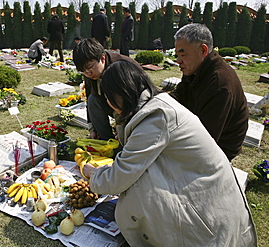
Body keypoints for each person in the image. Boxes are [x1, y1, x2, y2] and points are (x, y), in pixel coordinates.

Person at [83, 60, 257, 246]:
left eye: (109, 97)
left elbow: (120, 177)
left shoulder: (155, 118)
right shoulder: (152, 107)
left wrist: (94, 175)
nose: (108, 103)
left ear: (121, 94)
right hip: (205, 201)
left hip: (209, 222)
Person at [170, 23, 249, 161]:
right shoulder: (195, 68)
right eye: (177, 55)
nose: (178, 61)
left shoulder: (220, 83)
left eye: (183, 54)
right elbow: (179, 95)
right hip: (199, 128)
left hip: (219, 149)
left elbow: (205, 139)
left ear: (203, 51)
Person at [73, 38, 141, 140]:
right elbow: (88, 97)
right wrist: (93, 129)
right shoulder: (90, 73)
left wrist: (122, 128)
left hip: (135, 108)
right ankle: (106, 140)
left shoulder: (121, 68)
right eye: (83, 71)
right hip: (114, 105)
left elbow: (132, 103)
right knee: (93, 100)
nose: (88, 74)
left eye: (90, 67)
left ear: (102, 58)